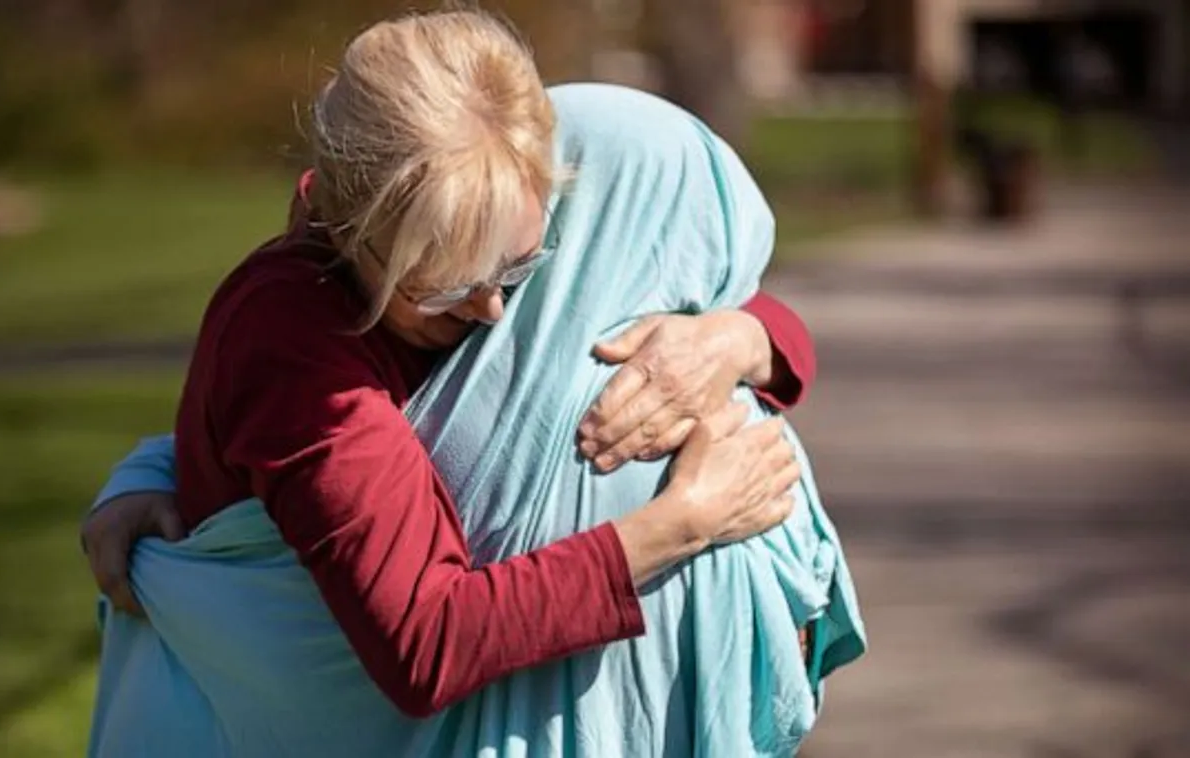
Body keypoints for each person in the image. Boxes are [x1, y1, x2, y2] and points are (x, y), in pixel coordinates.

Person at [81, 10, 864, 757]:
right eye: (444, 287)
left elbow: (717, 302)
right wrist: (683, 522)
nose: (493, 309)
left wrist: (737, 339)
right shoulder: (296, 341)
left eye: (518, 271)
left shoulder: (472, 223)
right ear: (340, 222)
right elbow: (425, 644)